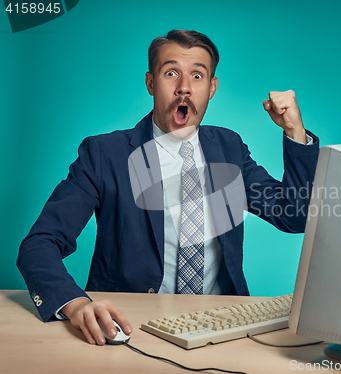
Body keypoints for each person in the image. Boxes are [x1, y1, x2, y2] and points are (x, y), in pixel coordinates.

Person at [18, 30, 319, 346]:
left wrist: (294, 132)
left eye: (197, 76)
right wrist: (75, 305)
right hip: (132, 327)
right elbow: (39, 245)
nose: (184, 88)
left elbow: (294, 216)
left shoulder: (228, 147)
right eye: (171, 73)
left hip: (222, 327)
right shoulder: (104, 155)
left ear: (212, 88)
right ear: (150, 83)